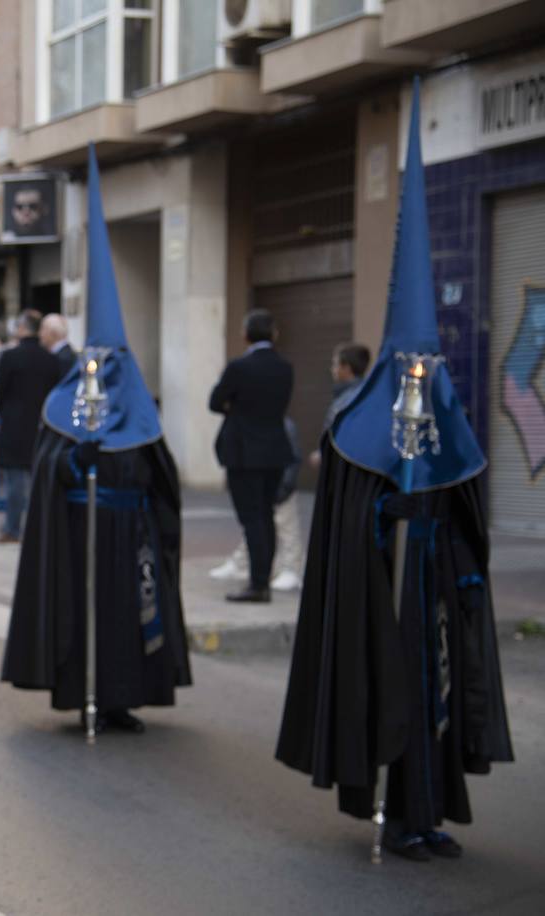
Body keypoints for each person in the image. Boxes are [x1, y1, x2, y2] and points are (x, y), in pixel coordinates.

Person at [277, 84, 511, 862]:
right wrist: (386, 523)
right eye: (409, 363)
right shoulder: (354, 427)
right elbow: (346, 523)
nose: (420, 374)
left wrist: (452, 551)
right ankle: (391, 807)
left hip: (434, 591)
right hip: (380, 600)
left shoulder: (451, 421)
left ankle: (430, 812)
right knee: (393, 697)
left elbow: (470, 505)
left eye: (429, 363)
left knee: (439, 699)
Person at [2, 144, 190, 733]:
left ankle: (123, 698)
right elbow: (51, 464)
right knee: (84, 616)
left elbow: (164, 478)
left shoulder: (140, 411)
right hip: (80, 537)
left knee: (130, 619)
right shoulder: (63, 407)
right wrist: (71, 463)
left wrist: (149, 506)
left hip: (129, 537)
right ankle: (81, 691)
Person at [208, 309, 295, 603]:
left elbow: (215, 401)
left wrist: (237, 408)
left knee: (252, 518)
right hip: (274, 450)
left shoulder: (239, 368)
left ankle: (258, 584)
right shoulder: (285, 368)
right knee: (265, 515)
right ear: (274, 334)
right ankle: (263, 578)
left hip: (244, 452)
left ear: (245, 334)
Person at [0, 310, 63, 543]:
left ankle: (13, 528)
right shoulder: (51, 359)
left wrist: (7, 412)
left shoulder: (11, 357)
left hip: (14, 424)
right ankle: (40, 528)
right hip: (42, 425)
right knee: (38, 480)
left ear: (22, 329)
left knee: (15, 482)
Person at [210, 417, 305, 591]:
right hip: (268, 487)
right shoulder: (259, 424)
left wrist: (285, 487)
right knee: (257, 527)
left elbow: (293, 459)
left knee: (286, 529)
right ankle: (243, 563)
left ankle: (291, 569)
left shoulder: (283, 425)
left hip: (281, 487)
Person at [39, 312, 75, 379]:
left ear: (53, 332)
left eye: (43, 329)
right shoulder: (64, 354)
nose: (40, 334)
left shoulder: (63, 358)